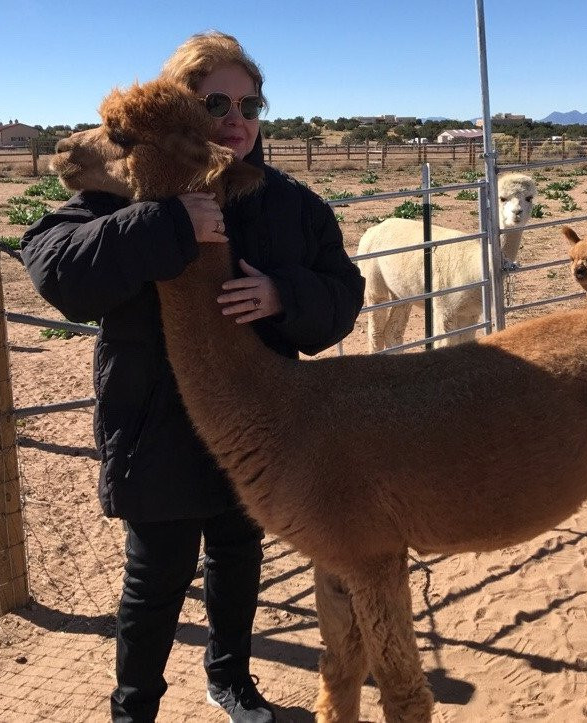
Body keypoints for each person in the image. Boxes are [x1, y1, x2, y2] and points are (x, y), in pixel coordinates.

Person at [21, 31, 365, 723]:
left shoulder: (290, 204)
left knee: (239, 558)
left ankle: (230, 677)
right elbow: (53, 266)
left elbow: (344, 293)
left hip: (260, 433)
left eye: (250, 101)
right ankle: (134, 705)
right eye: (215, 101)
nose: (236, 117)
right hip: (158, 426)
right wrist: (164, 221)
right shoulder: (122, 190)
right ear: (182, 110)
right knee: (155, 581)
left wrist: (284, 295)